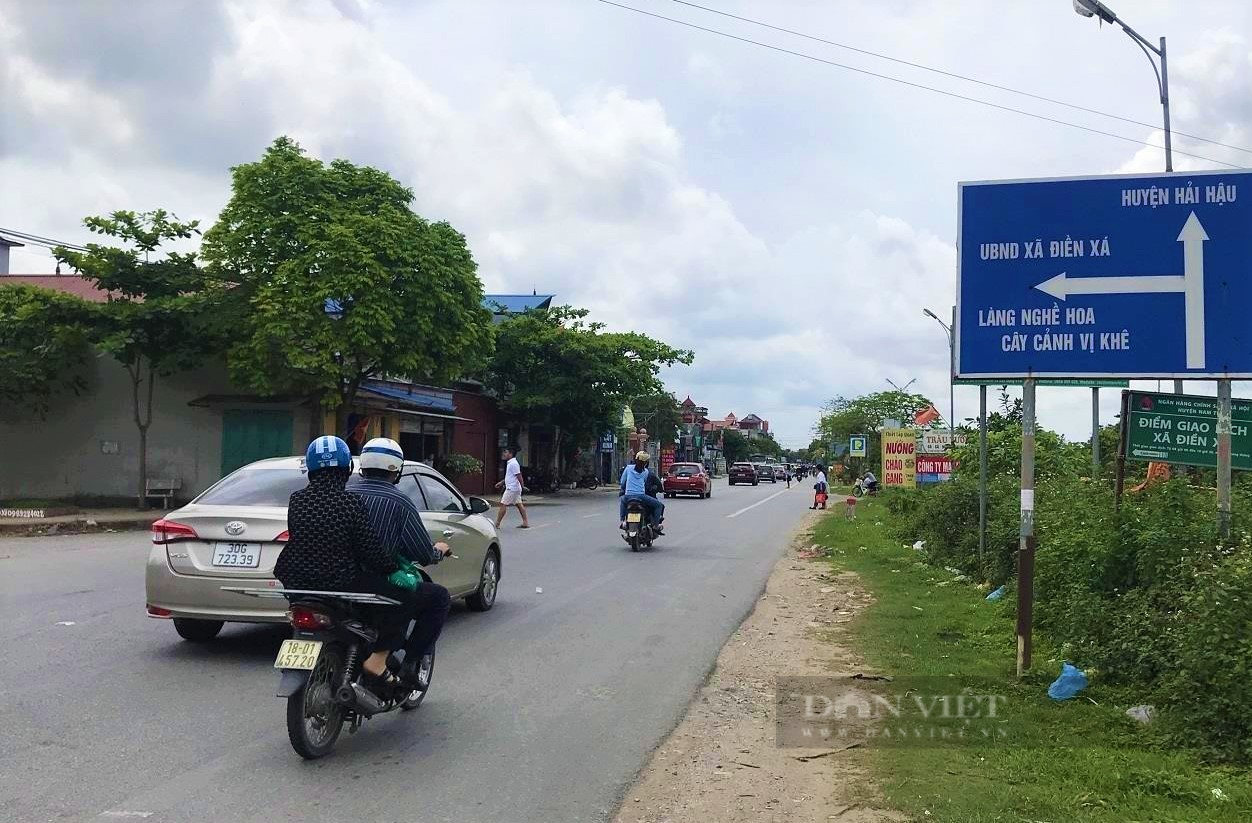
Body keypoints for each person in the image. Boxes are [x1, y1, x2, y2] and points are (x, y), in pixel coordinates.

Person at [274, 436, 408, 697]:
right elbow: (368, 549)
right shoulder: (350, 503)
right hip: (339, 581)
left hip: (296, 581)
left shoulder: (297, 500)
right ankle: (378, 662)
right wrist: (392, 569)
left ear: (311, 470)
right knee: (402, 599)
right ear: (347, 470)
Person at [348, 437, 453, 687]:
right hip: (378, 583)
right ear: (396, 469)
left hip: (336, 580)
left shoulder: (344, 495)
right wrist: (437, 551)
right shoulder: (400, 502)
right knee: (438, 597)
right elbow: (421, 552)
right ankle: (410, 665)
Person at [620, 451, 665, 532]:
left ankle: (623, 521)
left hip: (628, 496)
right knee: (659, 506)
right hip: (641, 496)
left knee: (622, 501)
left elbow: (622, 482)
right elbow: (644, 483)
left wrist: (624, 489)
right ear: (646, 462)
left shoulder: (628, 468)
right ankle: (656, 525)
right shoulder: (646, 472)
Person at [495, 446, 530, 529]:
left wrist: (522, 486)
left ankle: (497, 523)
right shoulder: (511, 463)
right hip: (514, 488)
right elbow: (510, 476)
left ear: (511, 454)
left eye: (505, 452)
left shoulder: (513, 464)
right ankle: (525, 522)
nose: (504, 454)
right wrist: (501, 482)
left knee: (503, 504)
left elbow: (519, 475)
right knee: (519, 505)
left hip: (512, 488)